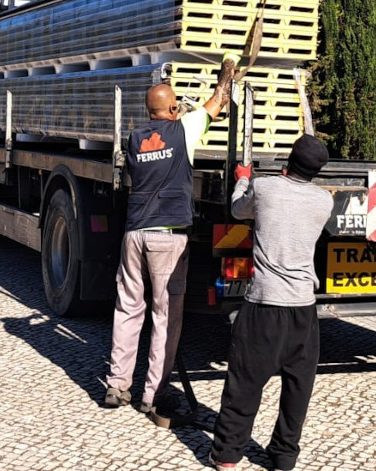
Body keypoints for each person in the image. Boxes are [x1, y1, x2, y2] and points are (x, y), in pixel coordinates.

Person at [103, 53, 238, 417]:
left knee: (128, 308)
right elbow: (217, 100)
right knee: (165, 315)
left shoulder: (135, 137)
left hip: (134, 235)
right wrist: (226, 71)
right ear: (174, 109)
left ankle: (117, 386)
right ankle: (153, 395)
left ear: (149, 112)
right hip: (168, 236)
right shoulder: (184, 130)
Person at [209, 133, 333, 471]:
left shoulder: (264, 189)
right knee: (298, 387)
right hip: (303, 309)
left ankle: (227, 454)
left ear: (287, 162)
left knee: (244, 382)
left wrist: (243, 179)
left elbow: (238, 210)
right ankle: (283, 456)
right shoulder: (324, 202)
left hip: (264, 303)